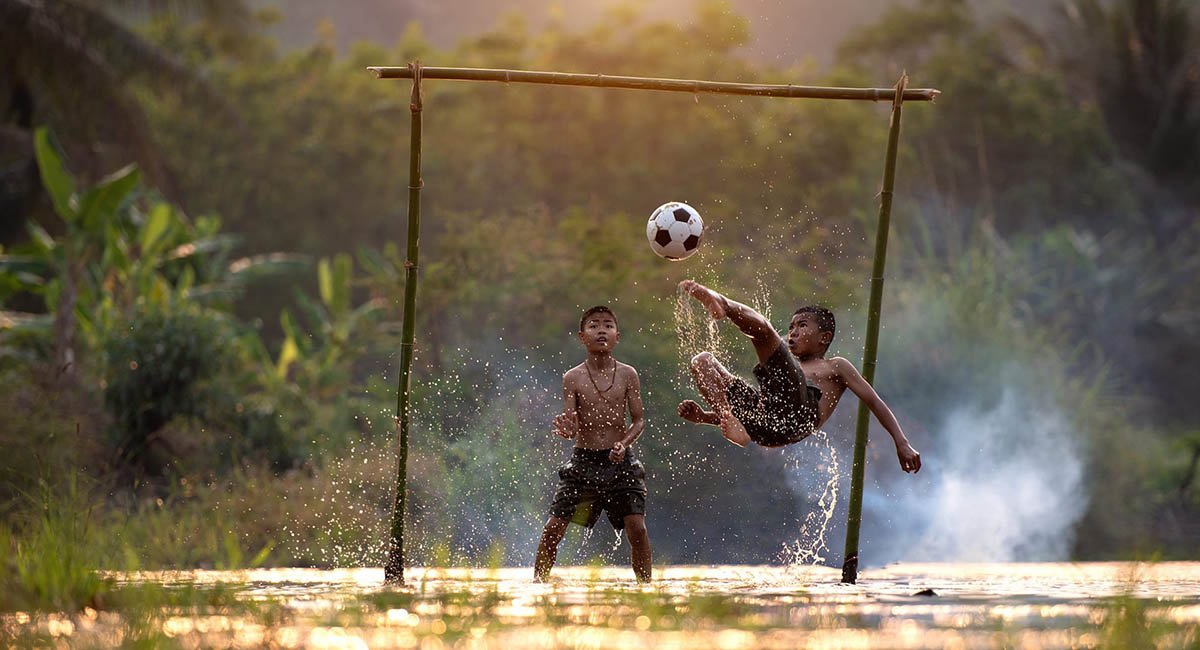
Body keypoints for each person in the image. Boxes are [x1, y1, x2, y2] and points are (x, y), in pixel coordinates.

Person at [676, 280, 921, 473]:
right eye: (791, 327)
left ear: (824, 338)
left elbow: (874, 401)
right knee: (702, 362)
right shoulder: (788, 369)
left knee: (763, 332)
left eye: (802, 326)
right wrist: (704, 418)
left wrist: (901, 442)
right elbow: (761, 408)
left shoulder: (835, 366)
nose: (793, 332)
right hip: (765, 428)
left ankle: (723, 303)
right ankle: (730, 419)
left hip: (800, 417)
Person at [534, 306, 652, 582]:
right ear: (582, 337)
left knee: (637, 528)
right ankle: (538, 584)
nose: (602, 330)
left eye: (608, 326)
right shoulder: (572, 377)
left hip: (620, 461)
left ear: (617, 336)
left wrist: (623, 444)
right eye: (594, 326)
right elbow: (571, 420)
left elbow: (639, 421)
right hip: (583, 462)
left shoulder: (627, 374)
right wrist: (566, 429)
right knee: (553, 528)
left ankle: (646, 588)